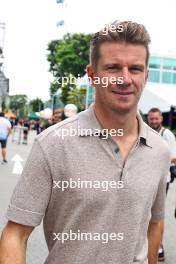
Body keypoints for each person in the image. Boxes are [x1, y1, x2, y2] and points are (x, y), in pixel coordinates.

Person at [0, 21, 170, 264]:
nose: (125, 79)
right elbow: (15, 235)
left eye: (134, 69)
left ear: (146, 75)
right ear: (92, 75)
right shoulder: (53, 144)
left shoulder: (159, 150)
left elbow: (155, 222)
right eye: (112, 68)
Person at [147, 107, 176, 262]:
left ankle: (159, 245)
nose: (154, 121)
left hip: (162, 180)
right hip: (145, 179)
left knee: (157, 214)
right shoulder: (145, 132)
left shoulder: (167, 134)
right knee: (146, 213)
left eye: (156, 119)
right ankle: (149, 243)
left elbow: (174, 158)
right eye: (151, 119)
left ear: (161, 119)